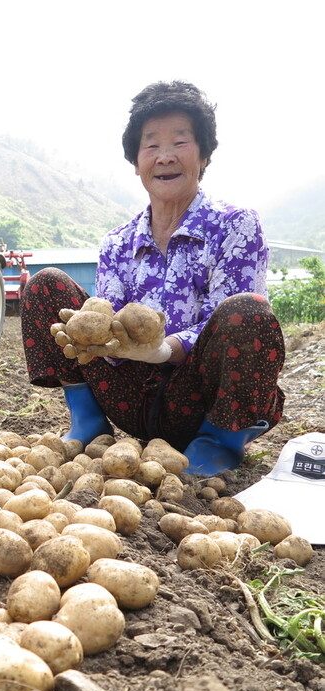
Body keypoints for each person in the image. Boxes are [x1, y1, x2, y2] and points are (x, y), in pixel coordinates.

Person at [20, 80, 285, 477]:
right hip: (130, 400)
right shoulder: (117, 243)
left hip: (200, 400)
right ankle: (89, 424)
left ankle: (219, 442)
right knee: (45, 285)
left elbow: (226, 318)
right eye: (151, 145)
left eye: (180, 142)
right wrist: (101, 341)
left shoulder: (235, 226)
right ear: (136, 161)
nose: (164, 157)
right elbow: (105, 320)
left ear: (204, 155)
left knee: (248, 312)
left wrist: (165, 349)